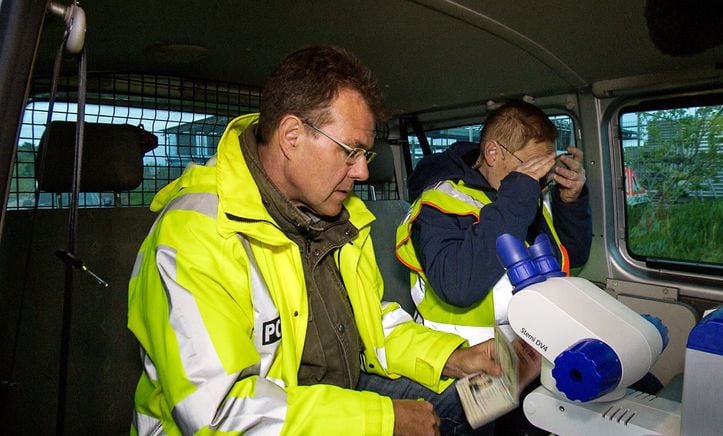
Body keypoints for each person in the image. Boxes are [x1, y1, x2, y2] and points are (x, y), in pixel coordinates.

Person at [127, 45, 509, 436]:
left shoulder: (339, 218)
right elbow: (220, 413)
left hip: (327, 396)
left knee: (469, 403)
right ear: (292, 136)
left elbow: (374, 324)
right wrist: (382, 420)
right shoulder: (196, 232)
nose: (361, 171)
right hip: (248, 420)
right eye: (350, 152)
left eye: (366, 154)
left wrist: (453, 358)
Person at [395, 100, 592, 348]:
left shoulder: (528, 196)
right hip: (461, 356)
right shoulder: (438, 202)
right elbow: (458, 287)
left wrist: (570, 203)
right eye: (531, 164)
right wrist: (518, 195)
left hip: (530, 347)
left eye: (545, 168)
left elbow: (571, 261)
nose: (539, 176)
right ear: (492, 153)